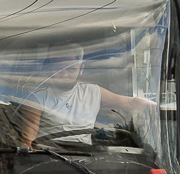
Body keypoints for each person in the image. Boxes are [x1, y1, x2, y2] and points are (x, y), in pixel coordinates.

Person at [19, 43, 156, 147]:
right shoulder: (37, 98)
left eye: (71, 69)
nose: (65, 75)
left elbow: (129, 103)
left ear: (81, 69)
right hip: (51, 160)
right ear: (50, 68)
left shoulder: (92, 92)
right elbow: (27, 141)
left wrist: (155, 107)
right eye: (59, 69)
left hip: (86, 161)